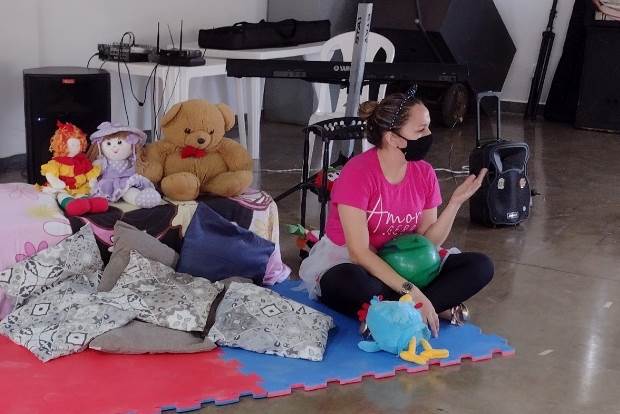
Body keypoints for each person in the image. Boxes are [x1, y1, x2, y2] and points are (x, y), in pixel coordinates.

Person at [299, 89, 493, 338]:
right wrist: (413, 291)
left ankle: (394, 316)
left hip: (408, 265)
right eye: (421, 130)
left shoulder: (424, 172)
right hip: (359, 263)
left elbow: (428, 241)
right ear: (393, 138)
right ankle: (428, 307)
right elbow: (359, 252)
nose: (429, 135)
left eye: (428, 127)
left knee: (480, 266)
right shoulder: (357, 173)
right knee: (351, 282)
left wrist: (455, 203)